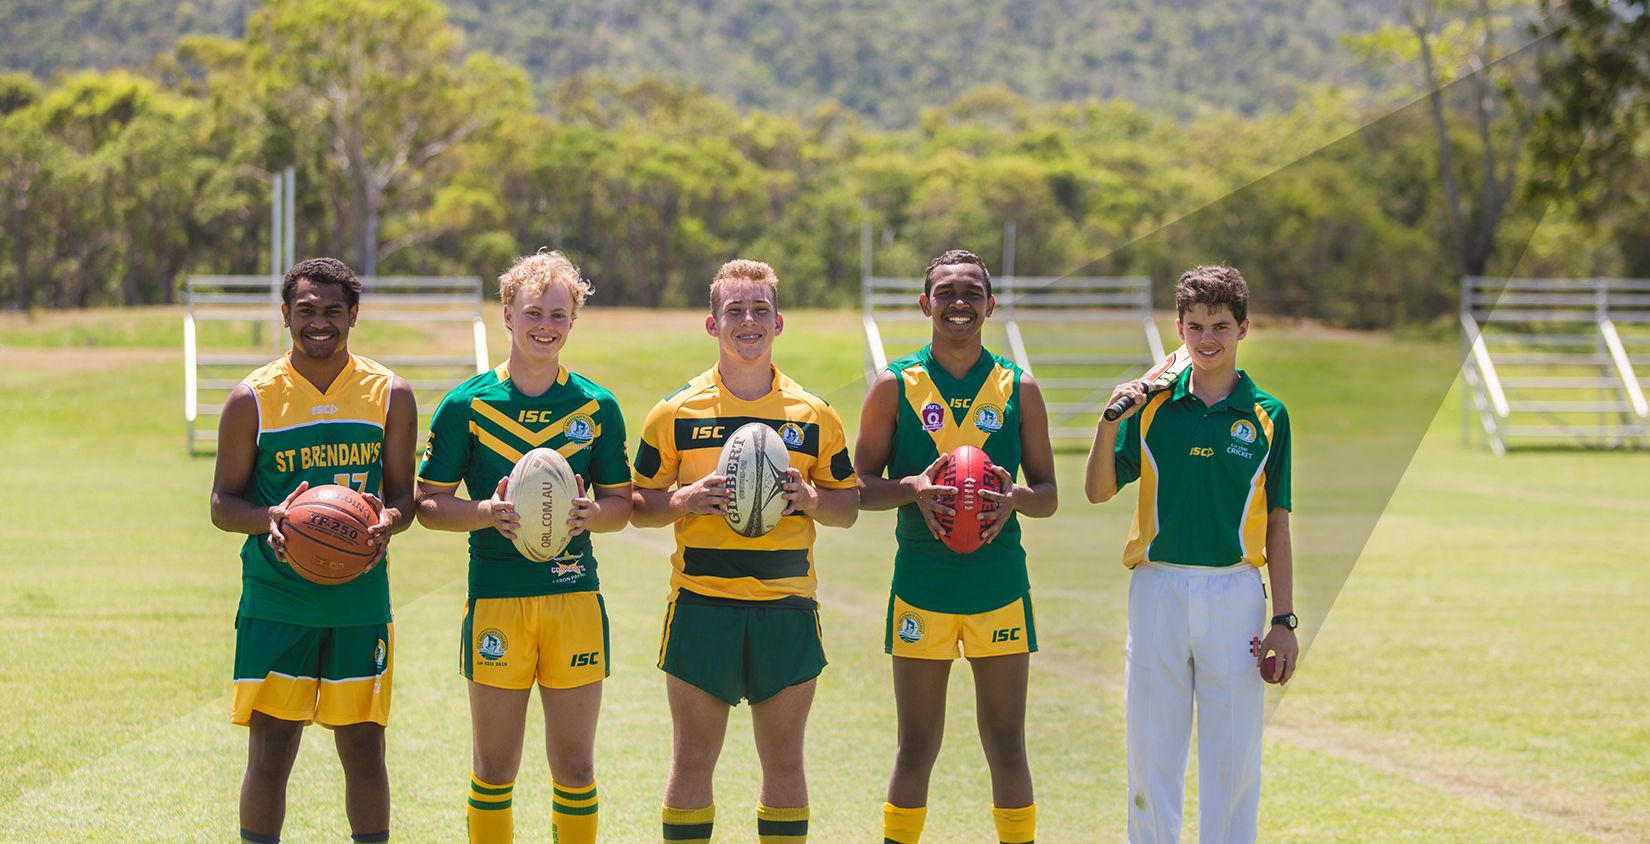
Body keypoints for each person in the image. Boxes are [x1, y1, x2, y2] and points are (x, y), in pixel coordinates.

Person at [630, 259, 858, 844]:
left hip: (786, 602)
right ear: (713, 324)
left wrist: (809, 497)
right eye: (735, 310)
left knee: (784, 761)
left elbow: (848, 506)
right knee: (691, 761)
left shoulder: (812, 414)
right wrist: (683, 499)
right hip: (702, 602)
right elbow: (639, 503)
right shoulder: (676, 413)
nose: (748, 320)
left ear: (778, 322)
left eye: (760, 309)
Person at [414, 250, 632, 844]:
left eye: (558, 315)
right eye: (533, 312)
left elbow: (622, 507)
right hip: (497, 600)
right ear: (506, 314)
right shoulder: (466, 405)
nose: (545, 326)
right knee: (494, 768)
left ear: (573, 320)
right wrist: (485, 512)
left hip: (573, 601)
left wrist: (592, 515)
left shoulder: (597, 407)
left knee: (577, 769)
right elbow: (427, 504)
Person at [1083, 264, 1297, 844]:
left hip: (1235, 592)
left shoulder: (1268, 415)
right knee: (1152, 751)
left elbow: (1278, 523)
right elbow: (1098, 490)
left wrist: (1283, 620)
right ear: (1178, 328)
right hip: (1158, 588)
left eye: (1220, 326)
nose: (1207, 340)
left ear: (1243, 328)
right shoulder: (1149, 407)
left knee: (1233, 756)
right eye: (1196, 326)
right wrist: (1110, 422)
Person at [210, 257, 417, 844]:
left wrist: (389, 521)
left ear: (353, 315)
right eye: (305, 311)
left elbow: (402, 496)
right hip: (277, 602)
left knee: (364, 747)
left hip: (359, 601)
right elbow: (223, 504)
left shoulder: (390, 394)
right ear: (285, 316)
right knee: (271, 748)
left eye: (332, 311)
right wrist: (269, 517)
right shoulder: (251, 398)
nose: (318, 322)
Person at [854, 249, 1057, 844]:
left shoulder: (1018, 387)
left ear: (991, 305)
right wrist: (913, 487)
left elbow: (1047, 494)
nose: (959, 303)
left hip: (999, 587)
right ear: (925, 304)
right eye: (946, 293)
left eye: (972, 293)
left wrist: (1013, 498)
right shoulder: (896, 385)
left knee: (1007, 744)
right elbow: (857, 488)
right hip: (922, 587)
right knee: (916, 746)